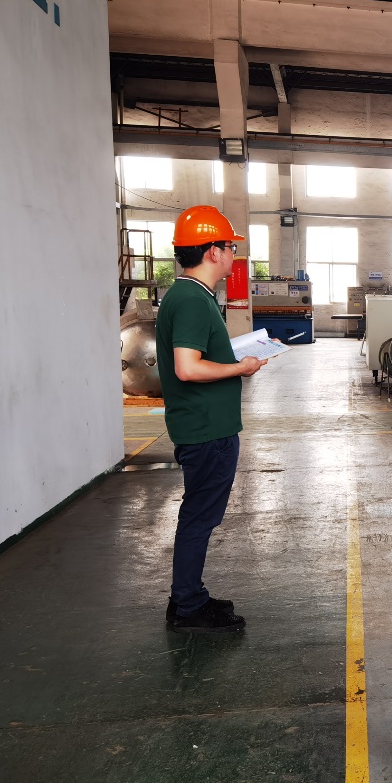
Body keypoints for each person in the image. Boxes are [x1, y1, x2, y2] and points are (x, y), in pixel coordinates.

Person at [156, 205, 263, 634]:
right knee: (199, 517)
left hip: (203, 427)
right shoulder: (192, 300)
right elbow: (187, 368)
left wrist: (235, 357)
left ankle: (187, 596)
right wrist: (240, 367)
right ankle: (187, 606)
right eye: (231, 247)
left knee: (198, 515)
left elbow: (195, 358)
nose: (234, 254)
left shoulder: (189, 295)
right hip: (206, 431)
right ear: (213, 251)